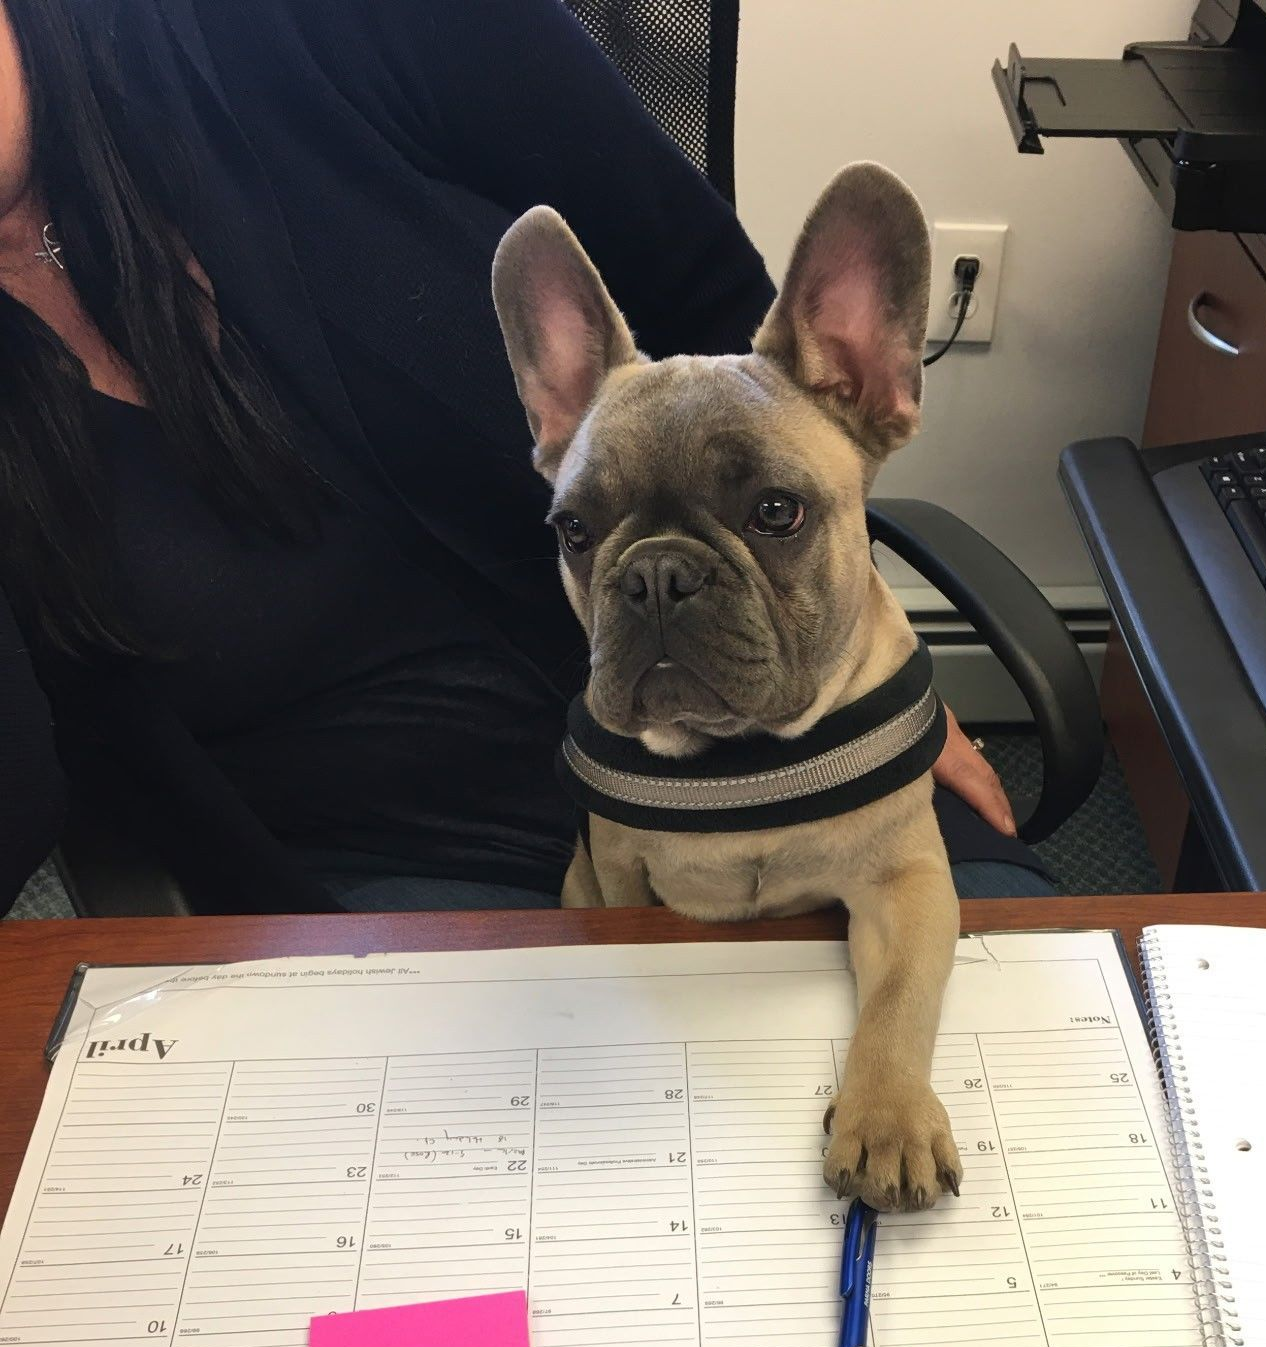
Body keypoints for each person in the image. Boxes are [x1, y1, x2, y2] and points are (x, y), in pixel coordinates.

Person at [0, 0, 1051, 917]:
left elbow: (706, 294)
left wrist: (848, 640)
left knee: (1027, 1074)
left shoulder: (303, 25)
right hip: (398, 864)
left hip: (768, 719)